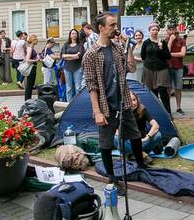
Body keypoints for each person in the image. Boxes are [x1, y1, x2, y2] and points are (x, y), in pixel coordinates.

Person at [83, 13, 149, 185]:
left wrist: (128, 47)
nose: (115, 28)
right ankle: (112, 179)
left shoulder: (118, 48)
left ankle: (141, 166)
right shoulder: (91, 54)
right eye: (111, 25)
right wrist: (97, 112)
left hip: (124, 102)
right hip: (106, 106)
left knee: (135, 136)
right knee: (105, 143)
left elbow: (132, 68)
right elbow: (91, 86)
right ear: (101, 28)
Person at [140, 24, 172, 113]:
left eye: (156, 30)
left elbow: (168, 56)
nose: (154, 31)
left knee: (162, 89)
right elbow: (143, 56)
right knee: (152, 91)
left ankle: (167, 111)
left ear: (158, 31)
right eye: (153, 30)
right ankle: (156, 111)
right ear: (149, 31)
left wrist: (161, 48)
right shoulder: (146, 42)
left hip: (161, 68)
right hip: (149, 68)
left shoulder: (162, 42)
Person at [166, 29, 187, 114]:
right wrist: (170, 40)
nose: (172, 31)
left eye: (173, 29)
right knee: (167, 89)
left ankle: (179, 107)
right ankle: (167, 108)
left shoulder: (181, 40)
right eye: (170, 29)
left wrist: (170, 54)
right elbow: (166, 51)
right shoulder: (165, 40)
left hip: (178, 67)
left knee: (178, 88)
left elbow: (182, 53)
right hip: (167, 67)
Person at [61, 29, 85, 100]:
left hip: (77, 68)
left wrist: (68, 56)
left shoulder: (80, 45)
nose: (74, 35)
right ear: (70, 35)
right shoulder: (66, 44)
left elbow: (79, 56)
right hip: (67, 68)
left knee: (78, 87)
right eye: (72, 34)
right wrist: (74, 56)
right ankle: (69, 105)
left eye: (75, 33)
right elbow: (62, 55)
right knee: (69, 88)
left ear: (77, 35)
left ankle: (77, 104)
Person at [22, 33, 39, 100]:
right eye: (36, 39)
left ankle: (28, 99)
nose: (37, 41)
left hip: (33, 67)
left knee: (31, 85)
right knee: (29, 85)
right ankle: (27, 100)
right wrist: (36, 60)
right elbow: (27, 60)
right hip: (31, 68)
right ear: (33, 40)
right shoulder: (29, 48)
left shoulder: (32, 48)